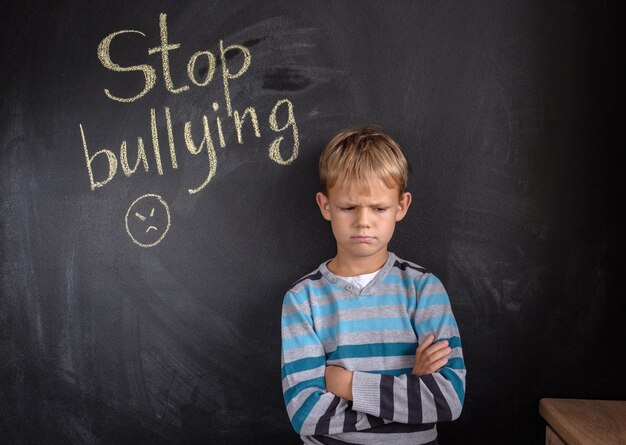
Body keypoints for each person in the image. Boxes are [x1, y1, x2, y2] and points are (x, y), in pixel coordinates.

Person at [280, 127, 466, 444]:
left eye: (379, 208)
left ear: (401, 206)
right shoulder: (303, 299)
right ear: (325, 206)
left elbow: (447, 400)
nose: (363, 221)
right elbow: (306, 414)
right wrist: (409, 386)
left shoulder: (424, 290)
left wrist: (346, 383)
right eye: (348, 207)